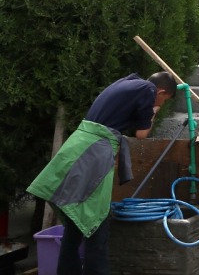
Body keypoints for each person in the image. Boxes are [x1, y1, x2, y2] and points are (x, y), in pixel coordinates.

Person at [28, 71, 175, 275]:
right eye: (164, 99)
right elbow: (142, 134)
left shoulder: (127, 81)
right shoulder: (148, 91)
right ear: (161, 91)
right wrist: (155, 110)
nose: (161, 102)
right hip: (94, 153)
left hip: (77, 146)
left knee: (75, 220)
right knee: (98, 220)